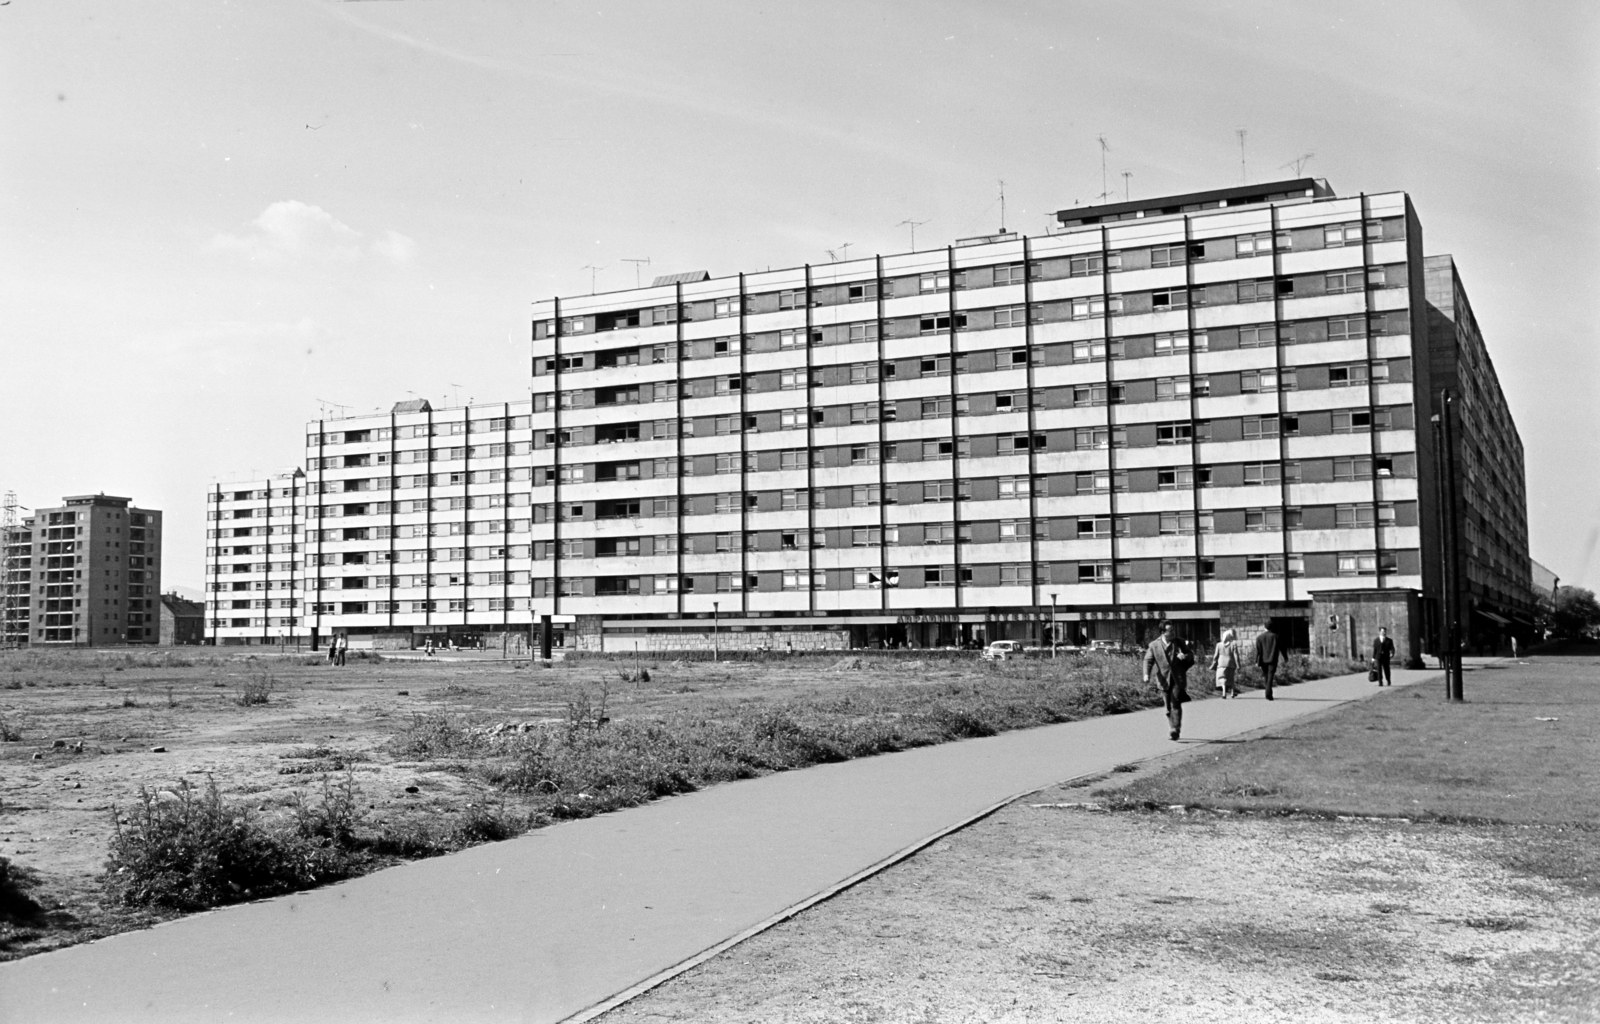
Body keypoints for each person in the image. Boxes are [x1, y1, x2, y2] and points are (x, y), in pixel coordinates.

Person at [1143, 621, 1194, 741]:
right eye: (1170, 631)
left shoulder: (1179, 642)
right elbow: (1148, 660)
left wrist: (1185, 657)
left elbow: (1190, 655)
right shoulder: (1154, 645)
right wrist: (1146, 674)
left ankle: (1175, 729)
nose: (1173, 633)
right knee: (1167, 707)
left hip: (1178, 678)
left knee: (1175, 703)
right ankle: (1173, 726)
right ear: (1162, 632)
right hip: (1163, 679)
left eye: (1173, 630)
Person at [1210, 628, 1241, 698]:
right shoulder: (1233, 644)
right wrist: (1238, 665)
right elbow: (1236, 656)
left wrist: (1213, 664)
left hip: (1221, 663)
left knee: (1222, 678)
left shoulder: (1218, 644)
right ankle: (1232, 693)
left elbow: (1215, 656)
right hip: (1230, 663)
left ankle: (1224, 692)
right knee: (1231, 678)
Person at [1253, 623, 1279, 700]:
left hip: (1263, 660)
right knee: (1270, 677)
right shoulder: (1275, 637)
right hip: (1272, 659)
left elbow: (1258, 651)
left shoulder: (1259, 637)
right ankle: (1268, 694)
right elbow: (1281, 647)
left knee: (1266, 676)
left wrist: (1256, 660)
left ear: (1265, 627)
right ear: (1272, 628)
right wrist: (1285, 657)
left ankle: (1268, 693)